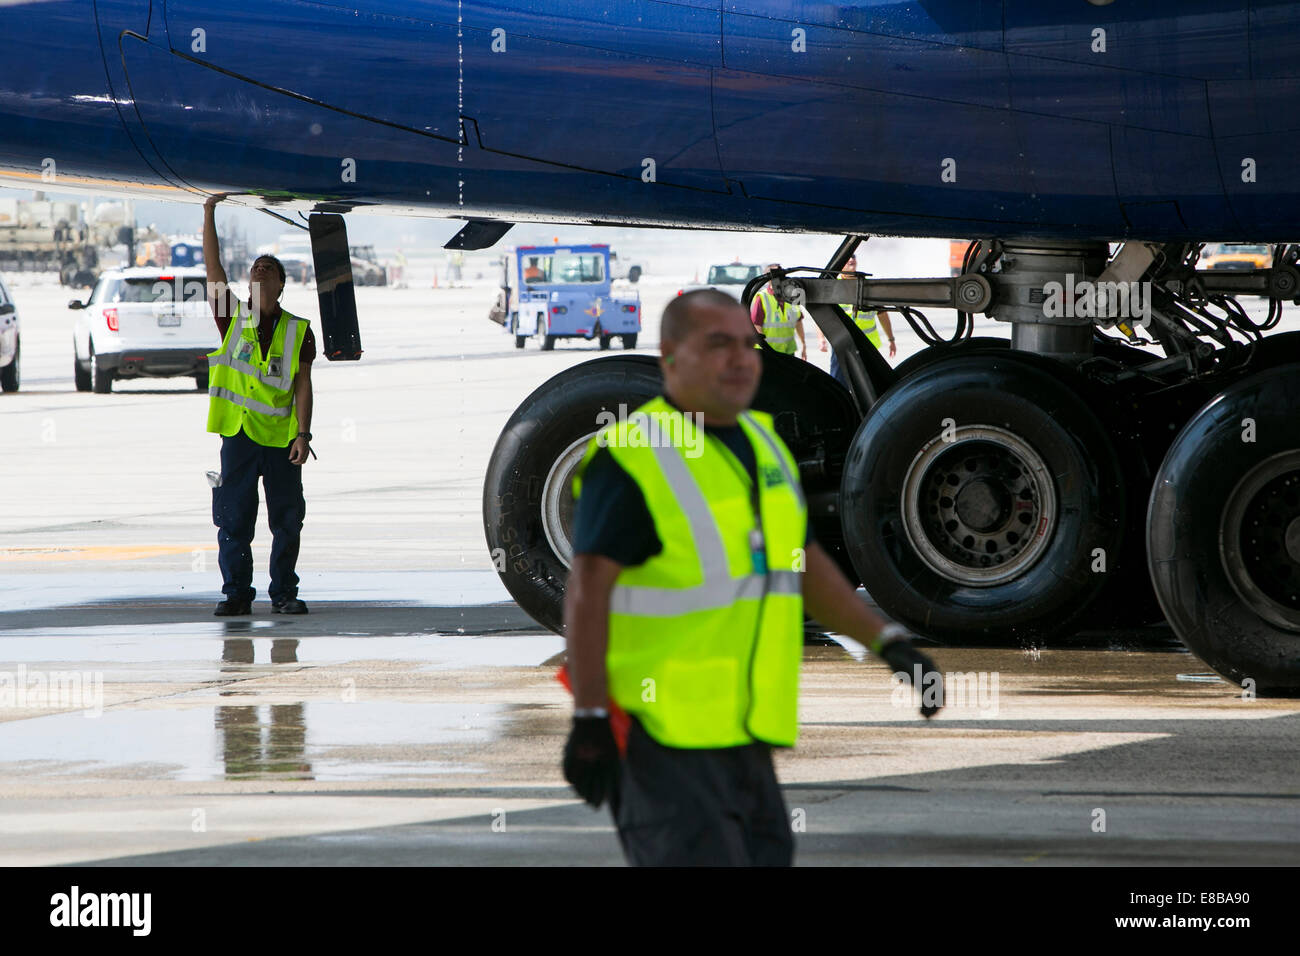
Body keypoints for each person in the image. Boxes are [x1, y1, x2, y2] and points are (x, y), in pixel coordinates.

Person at [561, 289, 942, 866]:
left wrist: (885, 642)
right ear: (670, 358)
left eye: (747, 343)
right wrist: (589, 716)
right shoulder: (635, 456)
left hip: (744, 732)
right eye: (718, 345)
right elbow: (589, 592)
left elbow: (803, 563)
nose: (741, 359)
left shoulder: (763, 443)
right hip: (658, 736)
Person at [202, 195, 317, 616]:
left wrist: (303, 435)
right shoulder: (232, 317)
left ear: (281, 283)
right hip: (239, 436)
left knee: (287, 521)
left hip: (282, 439)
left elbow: (303, 387)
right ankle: (236, 593)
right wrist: (209, 212)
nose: (259, 270)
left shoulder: (299, 330)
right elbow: (213, 273)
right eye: (254, 268)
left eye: (268, 268)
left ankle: (284, 593)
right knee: (234, 520)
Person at [818, 255, 897, 385]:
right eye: (847, 258)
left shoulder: (866, 286)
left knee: (871, 385)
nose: (851, 260)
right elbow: (822, 315)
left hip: (867, 346)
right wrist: (821, 338)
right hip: (842, 345)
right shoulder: (833, 287)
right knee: (839, 385)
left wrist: (891, 339)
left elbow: (882, 314)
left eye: (853, 257)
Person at [749, 262, 807, 359]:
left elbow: (798, 322)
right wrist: (764, 348)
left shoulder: (791, 297)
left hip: (788, 352)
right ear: (769, 280)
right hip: (769, 353)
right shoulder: (762, 298)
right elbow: (756, 326)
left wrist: (803, 344)